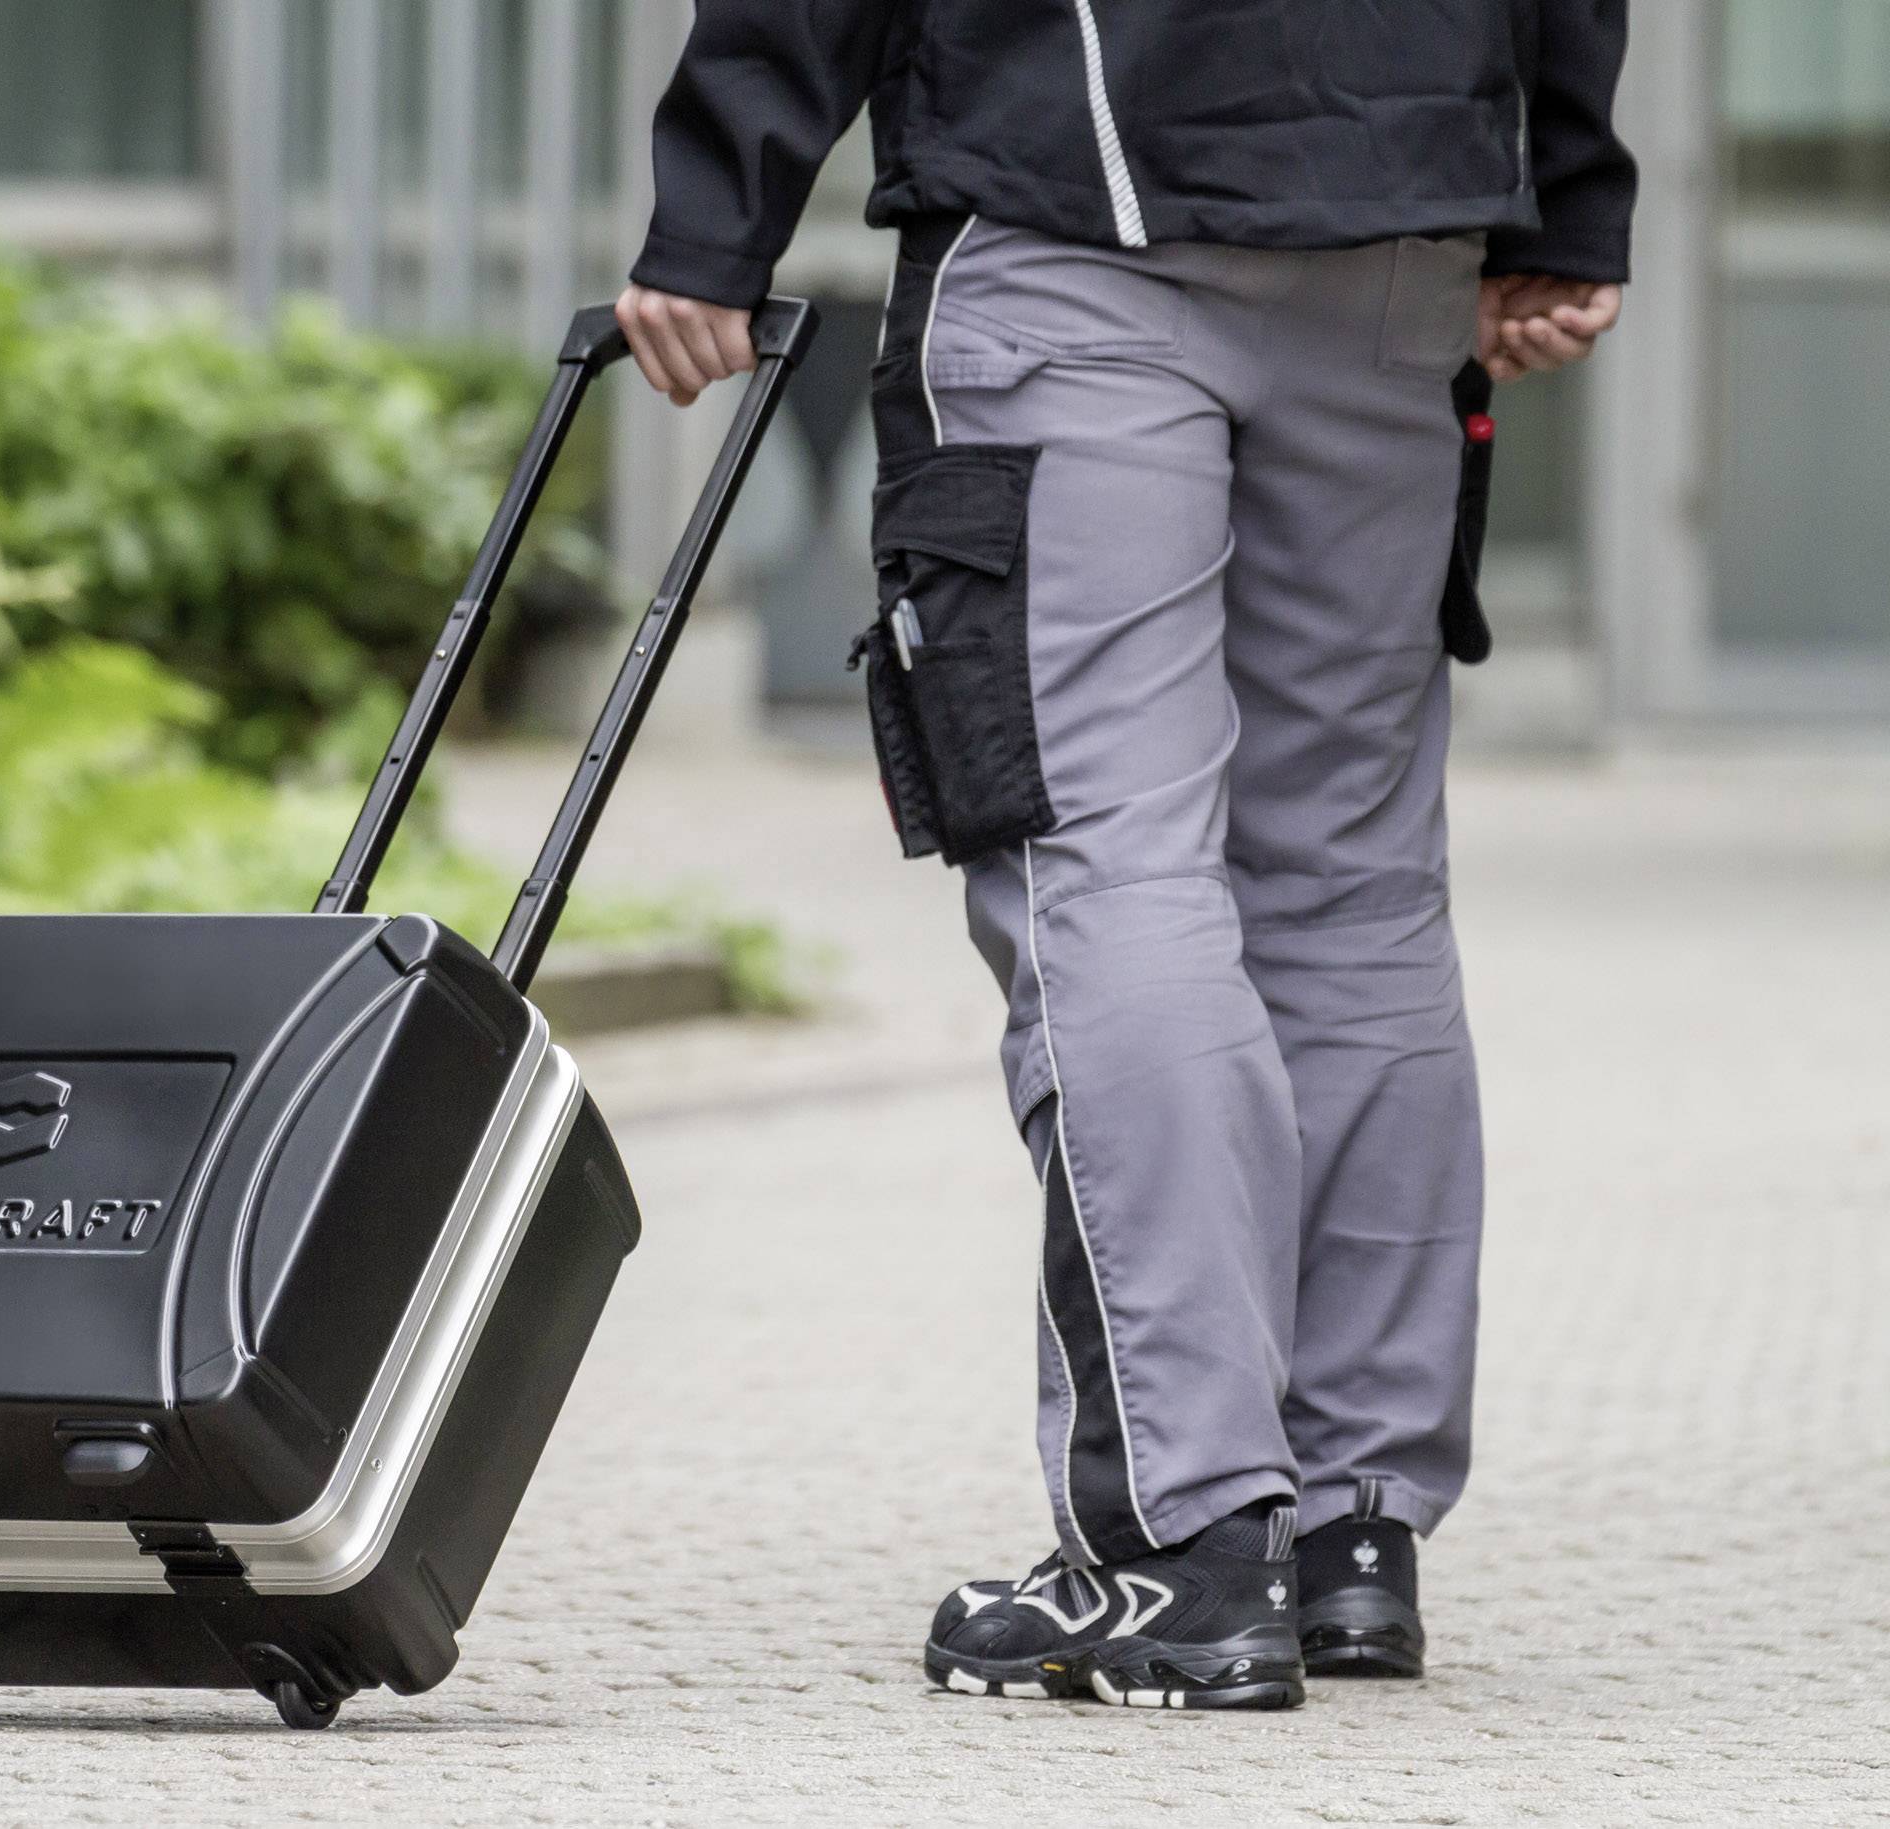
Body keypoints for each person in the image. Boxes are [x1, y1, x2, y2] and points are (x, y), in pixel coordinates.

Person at [617, 2, 1635, 1711]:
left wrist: (720, 206)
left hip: (1075, 217)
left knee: (1114, 861)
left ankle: (1184, 1544)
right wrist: (1563, 191)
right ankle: (1349, 1531)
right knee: (1354, 894)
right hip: (1389, 237)